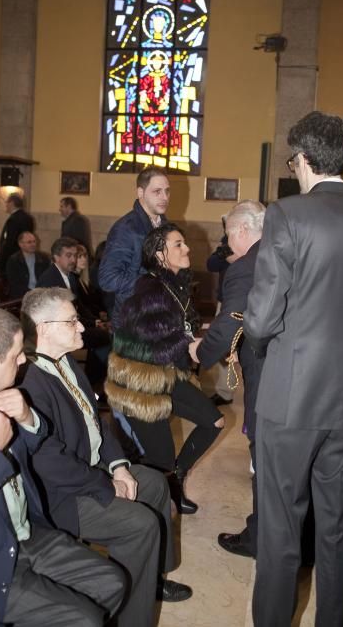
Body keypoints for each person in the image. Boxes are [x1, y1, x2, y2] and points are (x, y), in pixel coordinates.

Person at [244, 111, 343, 627]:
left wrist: (265, 347)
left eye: (292, 159)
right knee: (337, 532)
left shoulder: (288, 215)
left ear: (303, 159)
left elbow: (263, 318)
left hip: (289, 400)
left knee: (280, 531)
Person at [0, 306, 126, 626]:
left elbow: (28, 452)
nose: (25, 360)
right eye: (16, 355)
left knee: (113, 583)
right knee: (85, 619)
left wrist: (28, 419)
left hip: (24, 530)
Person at [19, 287, 192, 627]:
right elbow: (49, 463)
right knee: (139, 524)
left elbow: (97, 419)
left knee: (155, 484)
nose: (82, 327)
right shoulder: (31, 381)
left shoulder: (66, 361)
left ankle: (151, 579)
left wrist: (119, 466)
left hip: (93, 468)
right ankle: (131, 616)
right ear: (43, 329)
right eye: (72, 322)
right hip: (63, 496)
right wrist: (106, 484)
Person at [105, 223, 224, 514]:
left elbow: (187, 325)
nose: (187, 249)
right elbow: (157, 341)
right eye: (178, 244)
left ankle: (176, 479)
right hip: (141, 380)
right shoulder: (150, 287)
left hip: (167, 373)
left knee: (214, 422)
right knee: (161, 457)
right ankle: (152, 502)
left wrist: (205, 338)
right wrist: (191, 345)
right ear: (160, 254)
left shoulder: (176, 282)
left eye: (184, 243)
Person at [189, 200, 265, 556]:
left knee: (265, 454)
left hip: (267, 374)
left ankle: (260, 536)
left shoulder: (246, 267)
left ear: (244, 231)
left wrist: (201, 353)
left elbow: (233, 318)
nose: (227, 239)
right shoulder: (282, 253)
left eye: (229, 232)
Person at [98, 166, 170, 328]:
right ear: (140, 193)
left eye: (167, 191)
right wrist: (151, 282)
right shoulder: (126, 229)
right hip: (132, 320)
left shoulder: (166, 226)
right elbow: (107, 279)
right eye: (157, 192)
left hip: (158, 314)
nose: (164, 197)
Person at [37, 237, 111, 385]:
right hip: (57, 329)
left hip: (71, 324)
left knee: (103, 336)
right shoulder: (50, 278)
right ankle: (93, 384)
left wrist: (94, 322)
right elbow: (56, 314)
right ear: (56, 257)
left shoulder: (70, 276)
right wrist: (91, 325)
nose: (73, 260)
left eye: (75, 255)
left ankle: (93, 383)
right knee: (104, 338)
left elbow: (79, 306)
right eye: (68, 255)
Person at [203, 225, 238, 405]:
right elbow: (211, 264)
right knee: (225, 347)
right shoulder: (227, 241)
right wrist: (225, 252)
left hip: (248, 301)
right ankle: (225, 392)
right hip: (225, 300)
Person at [5, 231, 50, 298]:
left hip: (41, 293)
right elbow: (15, 284)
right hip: (22, 295)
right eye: (29, 242)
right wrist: (31, 294)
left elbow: (47, 278)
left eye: (34, 241)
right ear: (20, 244)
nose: (33, 244)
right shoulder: (13, 260)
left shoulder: (43, 258)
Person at [0, 193, 35, 271]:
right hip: (25, 256)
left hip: (12, 258)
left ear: (11, 203)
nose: (6, 205)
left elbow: (10, 241)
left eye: (6, 202)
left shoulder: (13, 219)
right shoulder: (28, 218)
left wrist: (2, 259)